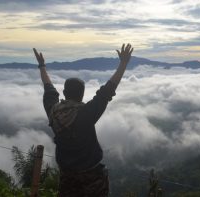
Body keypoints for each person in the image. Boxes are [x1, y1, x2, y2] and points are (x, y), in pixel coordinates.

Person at [33, 44, 133, 197]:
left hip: (67, 177)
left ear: (65, 93)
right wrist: (123, 64)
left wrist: (42, 66)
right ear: (82, 95)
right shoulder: (86, 114)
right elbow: (107, 91)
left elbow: (48, 87)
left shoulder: (53, 111)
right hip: (93, 178)